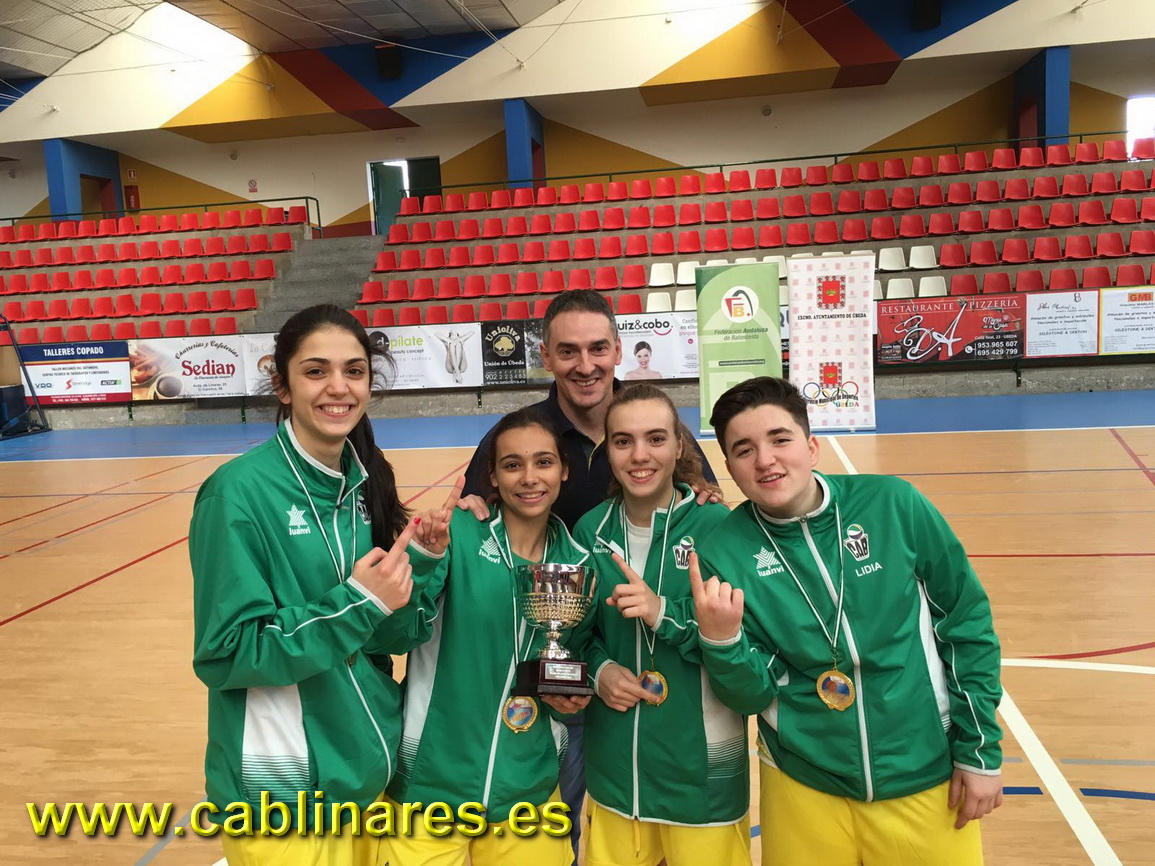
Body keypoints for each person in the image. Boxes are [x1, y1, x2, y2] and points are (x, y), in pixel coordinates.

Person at [689, 376, 1003, 866]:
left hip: (923, 772)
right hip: (802, 783)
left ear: (812, 446)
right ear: (729, 467)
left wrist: (979, 751)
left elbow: (966, 626)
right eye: (744, 450)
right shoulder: (723, 551)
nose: (765, 460)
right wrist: (722, 641)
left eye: (780, 439)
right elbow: (750, 696)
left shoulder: (894, 505)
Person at [456, 289, 720, 856]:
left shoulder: (656, 421)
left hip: (654, 672)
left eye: (598, 348)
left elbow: (702, 502)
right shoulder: (520, 434)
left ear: (618, 350)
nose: (585, 365)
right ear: (545, 356)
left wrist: (706, 494)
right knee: (566, 828)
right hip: (557, 670)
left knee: (642, 821)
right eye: (568, 351)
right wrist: (469, 508)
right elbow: (477, 518)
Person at [189, 304, 418, 865]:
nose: (338, 387)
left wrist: (423, 565)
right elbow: (228, 652)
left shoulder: (360, 484)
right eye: (316, 371)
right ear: (282, 385)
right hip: (285, 794)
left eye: (354, 371)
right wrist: (359, 602)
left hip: (363, 771)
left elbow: (374, 637)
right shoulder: (236, 494)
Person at [383, 408, 591, 866]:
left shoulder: (579, 562)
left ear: (564, 469)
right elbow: (394, 636)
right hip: (431, 786)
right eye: (513, 465)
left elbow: (578, 655)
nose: (529, 478)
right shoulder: (456, 533)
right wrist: (422, 560)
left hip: (529, 790)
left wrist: (573, 693)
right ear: (493, 477)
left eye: (544, 462)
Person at [572, 383, 750, 866]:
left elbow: (744, 639)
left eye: (655, 438)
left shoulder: (718, 526)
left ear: (679, 447)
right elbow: (577, 635)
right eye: (623, 441)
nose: (639, 455)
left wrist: (663, 612)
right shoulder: (589, 530)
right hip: (616, 774)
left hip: (702, 773)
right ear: (607, 451)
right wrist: (599, 671)